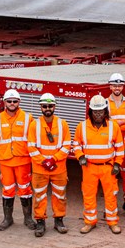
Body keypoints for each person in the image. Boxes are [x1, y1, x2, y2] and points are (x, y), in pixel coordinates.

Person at [73, 95, 125, 235]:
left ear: (105, 111)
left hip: (107, 167)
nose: (98, 114)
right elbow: (76, 144)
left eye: (101, 111)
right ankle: (89, 222)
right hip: (89, 167)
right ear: (90, 112)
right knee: (88, 195)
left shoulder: (113, 127)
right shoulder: (82, 127)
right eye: (95, 112)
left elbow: (120, 148)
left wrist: (117, 164)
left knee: (111, 195)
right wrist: (80, 156)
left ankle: (113, 222)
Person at [27, 93, 72, 236]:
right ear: (40, 107)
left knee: (60, 195)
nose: (48, 108)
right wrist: (43, 161)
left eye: (50, 106)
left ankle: (59, 219)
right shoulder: (34, 124)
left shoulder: (62, 124)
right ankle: (40, 221)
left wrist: (53, 159)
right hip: (40, 169)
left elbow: (66, 146)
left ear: (54, 107)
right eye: (45, 106)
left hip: (58, 168)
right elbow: (31, 147)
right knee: (39, 195)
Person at [0, 88, 33, 230]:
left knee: (25, 189)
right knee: (7, 189)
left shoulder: (28, 118)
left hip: (23, 160)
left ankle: (28, 219)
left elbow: (32, 139)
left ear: (19, 102)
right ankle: (7, 219)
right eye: (9, 101)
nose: (12, 103)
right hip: (5, 161)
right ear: (4, 102)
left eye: (15, 101)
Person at [106, 73, 125, 214]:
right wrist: (122, 122)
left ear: (123, 86)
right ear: (110, 86)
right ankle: (110, 206)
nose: (117, 88)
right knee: (110, 175)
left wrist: (116, 123)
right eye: (114, 85)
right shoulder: (105, 103)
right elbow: (105, 123)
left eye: (119, 85)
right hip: (110, 144)